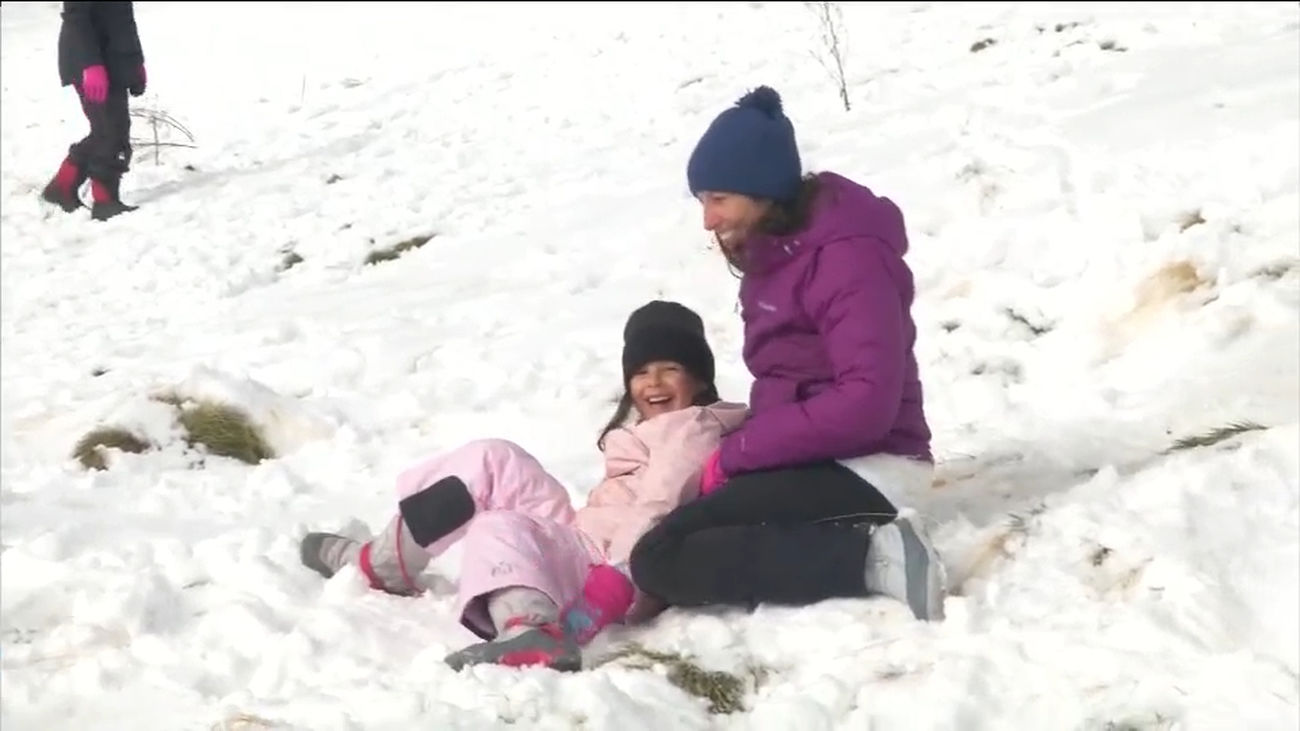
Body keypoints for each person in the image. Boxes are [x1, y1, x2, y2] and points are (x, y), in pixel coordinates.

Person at [629, 86, 947, 622]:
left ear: (762, 190)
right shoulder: (775, 256)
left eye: (718, 199)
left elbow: (865, 405)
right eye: (702, 201)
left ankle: (879, 558)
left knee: (661, 556)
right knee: (674, 534)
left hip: (874, 466)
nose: (707, 220)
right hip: (816, 461)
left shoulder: (848, 261)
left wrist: (742, 451)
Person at [299, 301, 748, 670]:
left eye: (670, 369)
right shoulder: (660, 427)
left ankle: (529, 632)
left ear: (701, 378)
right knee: (494, 458)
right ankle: (385, 560)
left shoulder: (692, 429)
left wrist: (611, 587)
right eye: (641, 372)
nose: (653, 383)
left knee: (500, 526)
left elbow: (660, 506)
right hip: (586, 538)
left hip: (612, 568)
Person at [41, 1, 147, 221]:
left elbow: (123, 20)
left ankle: (63, 186)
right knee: (110, 131)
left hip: (114, 60)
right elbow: (76, 17)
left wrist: (136, 62)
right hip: (90, 63)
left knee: (110, 130)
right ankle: (104, 200)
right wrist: (90, 64)